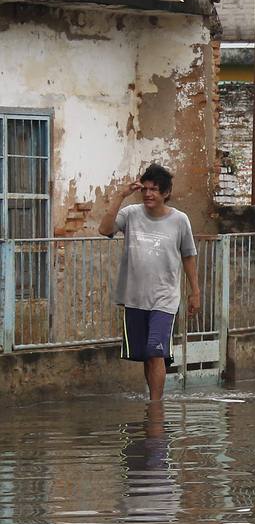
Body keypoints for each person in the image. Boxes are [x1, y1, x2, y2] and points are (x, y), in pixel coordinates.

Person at [98, 163, 200, 402]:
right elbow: (104, 229)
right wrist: (120, 196)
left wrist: (195, 291)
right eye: (144, 189)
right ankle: (153, 404)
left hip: (164, 298)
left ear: (165, 193)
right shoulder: (131, 214)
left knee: (155, 351)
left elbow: (188, 255)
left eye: (154, 190)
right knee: (146, 354)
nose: (148, 194)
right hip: (134, 297)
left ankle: (156, 407)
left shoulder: (179, 220)